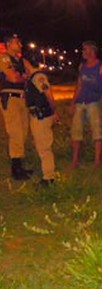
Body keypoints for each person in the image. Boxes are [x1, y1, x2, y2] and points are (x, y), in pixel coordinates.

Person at [70, 40, 102, 168]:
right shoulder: (82, 67)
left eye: (85, 49)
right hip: (80, 103)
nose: (83, 52)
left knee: (97, 132)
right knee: (76, 132)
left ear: (92, 50)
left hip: (93, 103)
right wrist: (73, 102)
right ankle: (75, 161)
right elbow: (79, 85)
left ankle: (97, 161)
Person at [0, 33, 35, 180]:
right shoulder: (3, 58)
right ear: (8, 44)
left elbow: (34, 75)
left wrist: (24, 76)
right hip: (11, 98)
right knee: (16, 132)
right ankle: (16, 169)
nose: (20, 45)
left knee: (24, 131)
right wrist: (24, 76)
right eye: (17, 42)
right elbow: (12, 77)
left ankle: (19, 165)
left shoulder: (22, 60)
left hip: (22, 98)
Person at [24, 57, 57, 186]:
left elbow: (48, 94)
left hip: (41, 116)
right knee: (42, 146)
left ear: (27, 63)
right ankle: (49, 175)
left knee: (44, 147)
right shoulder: (32, 78)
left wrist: (53, 110)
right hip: (39, 115)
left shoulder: (38, 76)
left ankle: (49, 177)